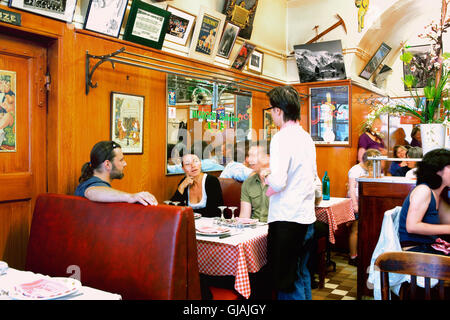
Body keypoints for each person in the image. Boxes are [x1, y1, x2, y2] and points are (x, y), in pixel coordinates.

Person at [263, 85, 318, 300]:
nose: (271, 115)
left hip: (287, 218)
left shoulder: (281, 138)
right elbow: (312, 176)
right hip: (306, 217)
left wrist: (265, 175)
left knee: (286, 281)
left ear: (278, 110)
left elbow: (279, 181)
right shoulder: (306, 137)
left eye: (271, 110)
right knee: (301, 274)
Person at [399, 148, 450, 255]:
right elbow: (412, 226)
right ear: (437, 170)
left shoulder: (440, 192)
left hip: (428, 246)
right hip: (416, 250)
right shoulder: (423, 190)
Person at [75, 141, 158, 206]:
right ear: (107, 164)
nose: (125, 164)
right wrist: (130, 197)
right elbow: (91, 192)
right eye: (121, 160)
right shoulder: (91, 185)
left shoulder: (89, 181)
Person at [347, 148, 382, 266]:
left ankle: (365, 254)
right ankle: (353, 256)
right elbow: (351, 189)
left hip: (367, 203)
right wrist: (355, 204)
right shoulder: (355, 170)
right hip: (356, 202)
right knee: (355, 229)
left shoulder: (371, 169)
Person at [240, 142, 271, 222]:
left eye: (253, 156)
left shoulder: (280, 182)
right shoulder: (248, 182)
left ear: (268, 157)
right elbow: (244, 217)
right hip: (255, 228)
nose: (248, 159)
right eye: (249, 156)